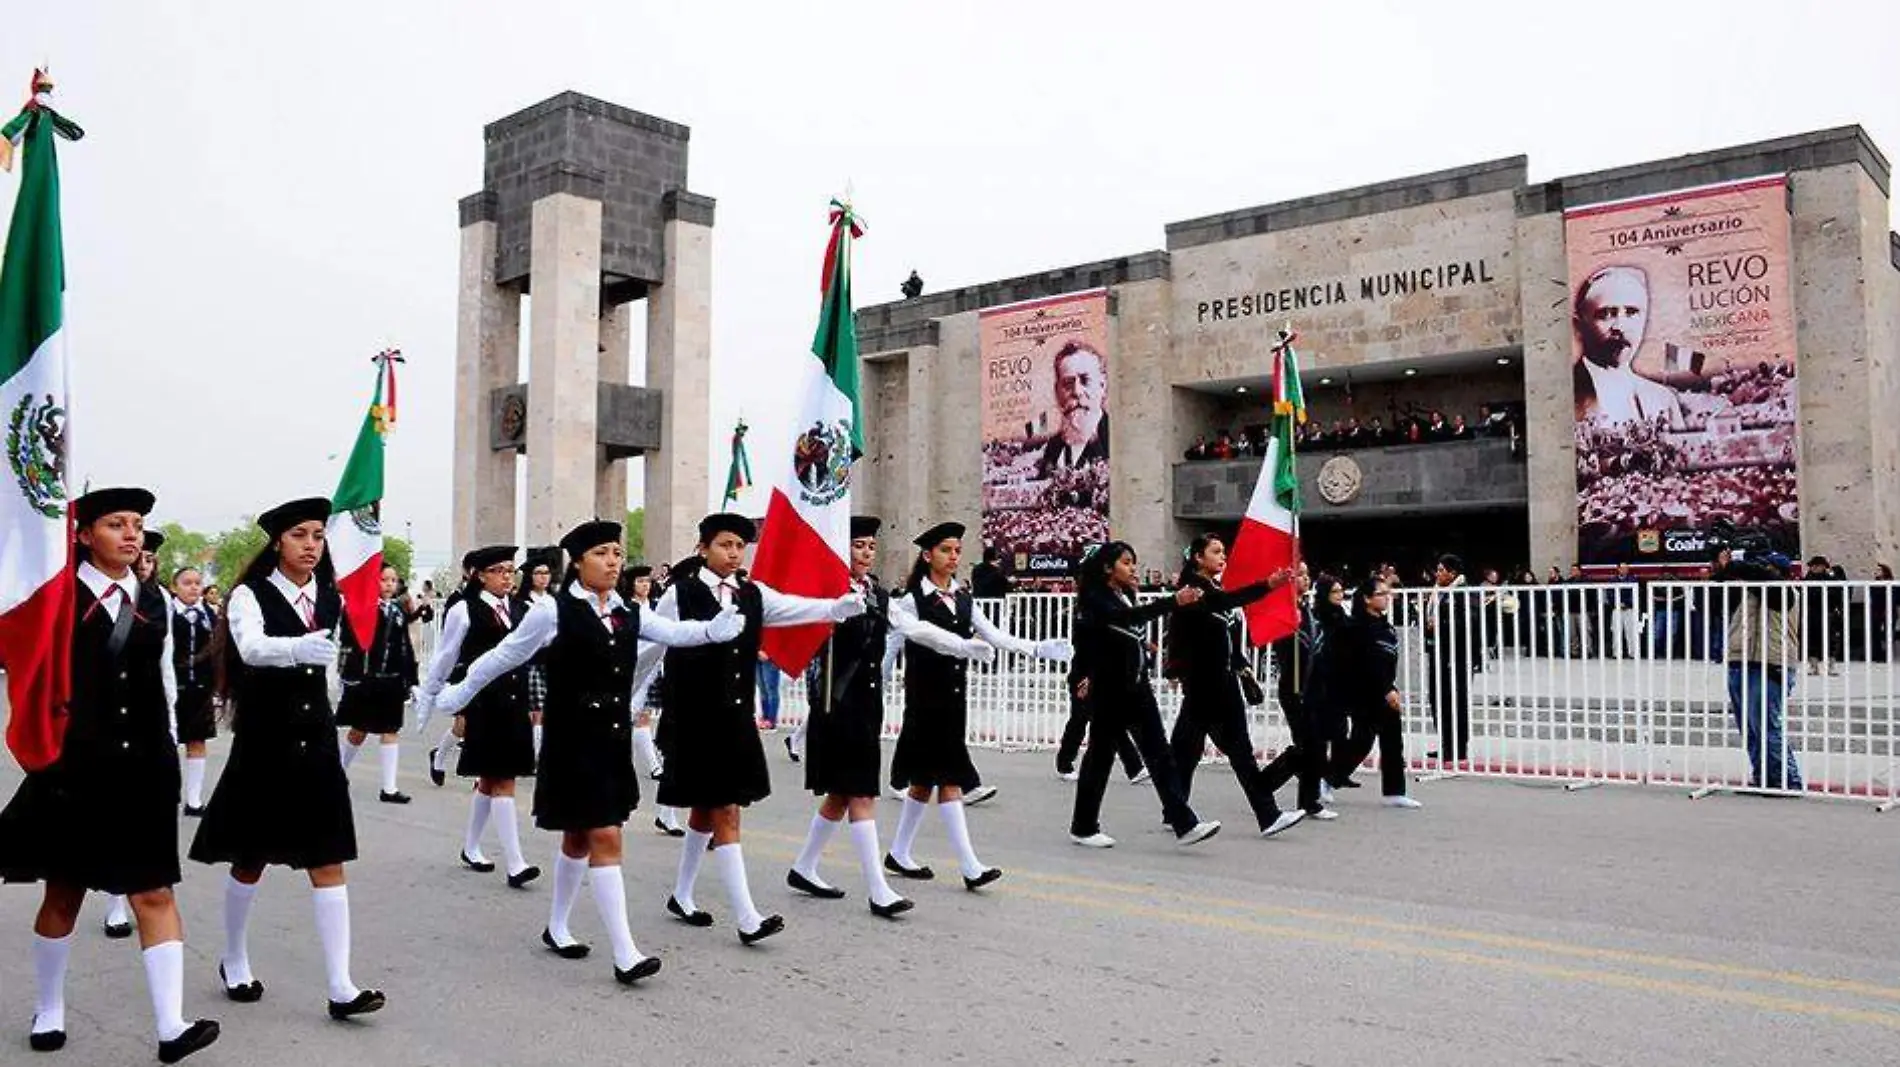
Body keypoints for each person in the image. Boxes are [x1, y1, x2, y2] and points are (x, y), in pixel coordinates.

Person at [433, 519, 744, 983]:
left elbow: (674, 634)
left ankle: (557, 926)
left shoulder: (628, 611)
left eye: (617, 553)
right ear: (577, 562)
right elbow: (503, 656)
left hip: (612, 740)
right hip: (572, 742)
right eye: (602, 553)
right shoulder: (554, 611)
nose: (613, 561)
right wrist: (454, 694)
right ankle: (626, 953)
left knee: (578, 839)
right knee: (605, 837)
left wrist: (714, 630)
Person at [0, 487, 221, 1062]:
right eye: (116, 523)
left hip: (144, 765)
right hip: (77, 767)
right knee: (64, 893)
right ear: (82, 535)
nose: (132, 534)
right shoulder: (56, 598)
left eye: (139, 524)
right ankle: (49, 1007)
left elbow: (165, 684)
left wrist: (171, 750)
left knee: (154, 890)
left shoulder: (156, 600)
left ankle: (171, 1026)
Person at [187, 496, 385, 1020]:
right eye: (300, 535)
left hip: (314, 737)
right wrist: (297, 648)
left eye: (318, 535)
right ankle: (233, 956)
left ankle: (341, 985)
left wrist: (336, 696)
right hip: (266, 740)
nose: (311, 545)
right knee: (250, 858)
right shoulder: (250, 595)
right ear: (278, 541)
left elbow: (331, 667)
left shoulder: (329, 595)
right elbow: (251, 647)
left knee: (328, 858)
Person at [655, 513, 866, 943]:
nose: (733, 553)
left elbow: (792, 607)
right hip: (694, 718)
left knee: (706, 809)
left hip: (734, 718)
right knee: (725, 811)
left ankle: (681, 893)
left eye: (739, 546)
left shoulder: (752, 593)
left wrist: (834, 608)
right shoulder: (680, 594)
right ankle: (747, 917)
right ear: (703, 548)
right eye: (724, 544)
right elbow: (652, 644)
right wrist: (632, 698)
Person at [884, 522, 1071, 884]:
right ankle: (970, 866)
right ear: (927, 556)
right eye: (945, 550)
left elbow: (994, 635)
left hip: (954, 698)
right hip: (924, 700)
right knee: (949, 780)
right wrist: (875, 686)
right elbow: (892, 648)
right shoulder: (911, 600)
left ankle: (899, 852)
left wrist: (1036, 648)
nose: (953, 557)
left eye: (956, 550)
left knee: (924, 783)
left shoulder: (964, 598)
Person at [786, 517, 915, 919]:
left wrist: (959, 645)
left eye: (870, 546)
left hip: (867, 702)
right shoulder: (827, 592)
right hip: (837, 702)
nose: (865, 553)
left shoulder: (876, 593)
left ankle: (804, 866)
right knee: (860, 792)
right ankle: (878, 889)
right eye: (857, 545)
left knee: (842, 794)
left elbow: (908, 628)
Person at [1067, 541, 1221, 849]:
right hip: (1109, 690)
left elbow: (1131, 629)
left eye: (1134, 563)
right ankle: (1083, 826)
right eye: (1126, 562)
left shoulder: (1125, 596)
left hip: (1137, 688)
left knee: (1160, 754)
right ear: (1108, 568)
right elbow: (1106, 634)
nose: (1132, 569)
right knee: (1100, 757)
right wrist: (1173, 601)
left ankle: (1184, 823)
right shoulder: (1095, 600)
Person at [1163, 536, 1305, 837]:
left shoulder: (1214, 589)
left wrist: (1240, 665)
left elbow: (1225, 635)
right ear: (1198, 558)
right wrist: (1268, 584)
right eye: (1215, 551)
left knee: (1216, 749)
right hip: (1204, 684)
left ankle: (1266, 815)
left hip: (1223, 681)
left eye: (1223, 551)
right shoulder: (1193, 590)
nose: (1222, 556)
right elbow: (1179, 632)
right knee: (1194, 749)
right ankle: (1180, 812)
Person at [417, 546, 540, 887]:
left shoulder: (520, 608)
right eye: (499, 570)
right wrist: (430, 695)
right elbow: (445, 656)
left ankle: (471, 847)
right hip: (484, 702)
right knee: (503, 780)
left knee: (490, 780)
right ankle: (515, 863)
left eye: (510, 570)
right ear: (480, 575)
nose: (507, 577)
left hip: (515, 702)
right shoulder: (464, 610)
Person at [1325, 577, 1421, 808]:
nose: (1387, 597)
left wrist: (1391, 687)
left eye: (1388, 593)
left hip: (1385, 690)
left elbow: (1387, 662)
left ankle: (1394, 791)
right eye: (1381, 593)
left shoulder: (1385, 626)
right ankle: (1327, 778)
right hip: (1365, 692)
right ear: (1367, 599)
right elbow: (1365, 663)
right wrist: (1385, 689)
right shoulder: (1357, 627)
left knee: (1392, 740)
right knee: (1361, 741)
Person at [1719, 552, 1804, 790]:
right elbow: (1717, 592)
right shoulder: (1748, 590)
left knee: (1767, 725)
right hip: (1741, 659)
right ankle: (1763, 777)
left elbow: (1766, 582)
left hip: (1770, 662)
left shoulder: (1784, 592)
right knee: (1749, 728)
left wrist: (1742, 566)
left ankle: (1787, 779)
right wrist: (1724, 566)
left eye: (1767, 567)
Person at [335, 563, 417, 805]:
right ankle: (337, 773)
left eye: (393, 580)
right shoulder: (360, 608)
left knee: (391, 730)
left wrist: (411, 679)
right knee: (358, 731)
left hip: (392, 681)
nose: (389, 584)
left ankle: (389, 788)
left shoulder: (398, 611)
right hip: (366, 680)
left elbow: (405, 648)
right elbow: (349, 639)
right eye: (383, 579)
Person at [1261, 563, 1335, 820]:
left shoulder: (1308, 610)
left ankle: (1308, 800)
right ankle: (1264, 785)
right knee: (1307, 746)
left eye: (1307, 573)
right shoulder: (1284, 611)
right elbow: (1286, 651)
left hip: (1314, 688)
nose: (1306, 578)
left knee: (1315, 744)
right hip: (1294, 688)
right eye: (1300, 574)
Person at [1572, 265, 1685, 426]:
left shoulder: (1663, 400)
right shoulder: (1564, 394)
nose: (1620, 325)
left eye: (1632, 312)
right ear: (1579, 326)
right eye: (1606, 314)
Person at [172, 567, 219, 818]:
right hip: (170, 688)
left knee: (197, 741)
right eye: (187, 582)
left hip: (200, 689)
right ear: (174, 587)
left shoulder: (210, 616)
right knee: (166, 743)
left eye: (197, 583)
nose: (193, 587)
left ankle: (194, 800)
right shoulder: (166, 613)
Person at [1424, 554, 1476, 763]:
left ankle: (1458, 746)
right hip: (1438, 651)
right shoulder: (1438, 593)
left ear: (1452, 573)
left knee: (1455, 699)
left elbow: (1467, 622)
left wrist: (1440, 626)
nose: (1437, 574)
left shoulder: (1463, 593)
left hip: (1456, 654)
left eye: (1441, 570)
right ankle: (1446, 743)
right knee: (1438, 698)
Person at [1035, 341, 1110, 479]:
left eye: (1085, 380)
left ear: (1102, 386)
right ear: (1057, 392)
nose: (1077, 391)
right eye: (1068, 384)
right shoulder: (1053, 448)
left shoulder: (1114, 437)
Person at [517, 547, 559, 755]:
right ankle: (535, 755)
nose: (543, 578)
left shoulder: (555, 601)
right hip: (530, 661)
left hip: (552, 661)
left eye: (546, 573)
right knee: (536, 712)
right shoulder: (522, 603)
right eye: (538, 573)